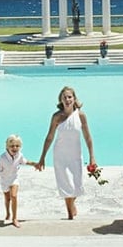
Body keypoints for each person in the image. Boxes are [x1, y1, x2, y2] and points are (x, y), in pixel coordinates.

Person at [37, 86, 96, 220]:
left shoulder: (81, 116)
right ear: (61, 100)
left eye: (70, 97)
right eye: (65, 97)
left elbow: (88, 137)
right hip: (60, 156)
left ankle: (72, 204)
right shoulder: (57, 117)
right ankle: (70, 214)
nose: (67, 99)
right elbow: (50, 137)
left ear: (74, 99)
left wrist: (92, 157)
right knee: (65, 185)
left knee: (77, 185)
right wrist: (42, 157)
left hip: (76, 155)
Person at [0, 134, 36, 227]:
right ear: (7, 146)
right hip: (4, 180)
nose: (15, 148)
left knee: (14, 196)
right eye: (12, 146)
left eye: (17, 146)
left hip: (13, 179)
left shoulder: (19, 156)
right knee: (7, 199)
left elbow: (26, 161)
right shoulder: (2, 158)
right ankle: (8, 213)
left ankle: (15, 218)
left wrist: (36, 164)